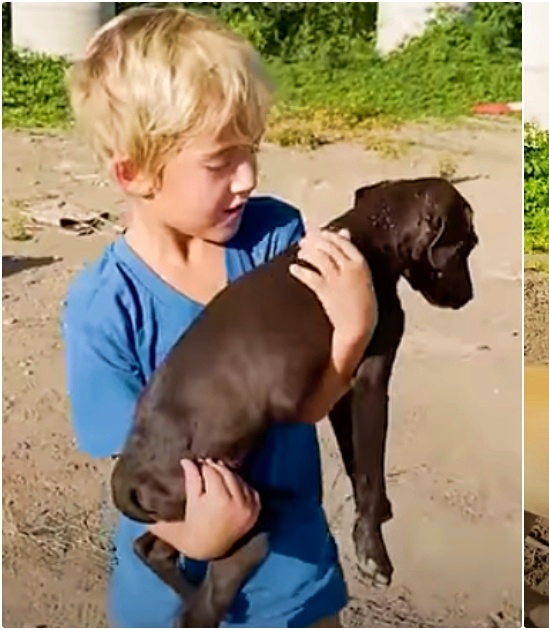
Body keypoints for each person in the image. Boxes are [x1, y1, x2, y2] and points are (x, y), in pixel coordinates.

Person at [61, 7, 377, 627]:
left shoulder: (273, 237)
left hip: (293, 584)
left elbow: (306, 400)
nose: (248, 178)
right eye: (220, 162)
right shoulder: (104, 310)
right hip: (173, 602)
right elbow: (134, 473)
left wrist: (354, 327)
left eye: (251, 152)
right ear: (134, 171)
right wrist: (192, 539)